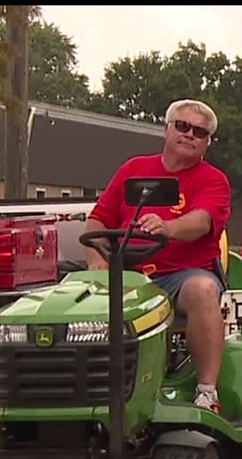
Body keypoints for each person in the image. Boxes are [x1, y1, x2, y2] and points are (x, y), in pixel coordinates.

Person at [85, 98, 231, 413]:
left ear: (207, 143)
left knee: (202, 290)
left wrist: (168, 227)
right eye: (182, 126)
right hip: (128, 274)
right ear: (166, 129)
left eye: (200, 132)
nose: (190, 134)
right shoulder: (133, 169)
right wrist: (96, 260)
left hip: (182, 275)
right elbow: (98, 220)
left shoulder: (213, 180)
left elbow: (203, 221)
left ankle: (207, 391)